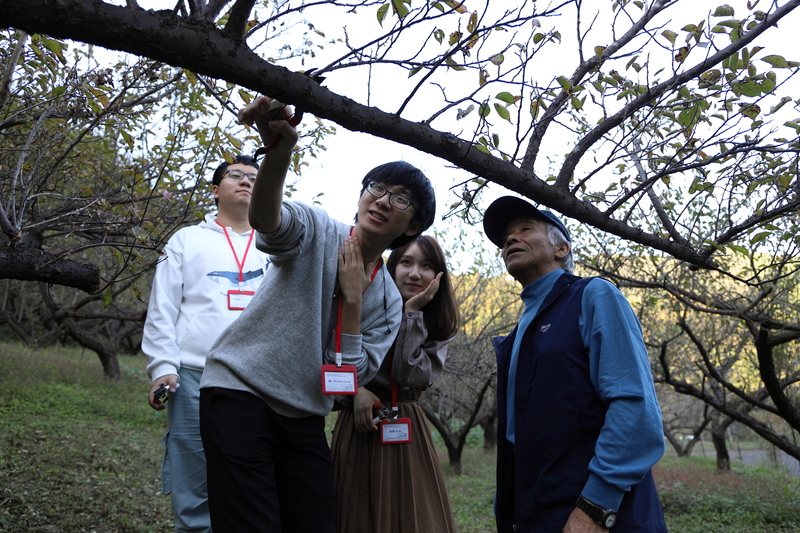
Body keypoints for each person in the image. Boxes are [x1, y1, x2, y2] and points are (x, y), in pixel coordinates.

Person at [198, 96, 437, 533]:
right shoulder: (317, 228)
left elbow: (350, 377)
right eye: (377, 189)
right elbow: (268, 221)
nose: (383, 201)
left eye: (400, 199)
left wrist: (352, 303)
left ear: (411, 228)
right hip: (240, 391)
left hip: (305, 413)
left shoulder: (385, 300)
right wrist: (280, 152)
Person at [482, 196, 667, 533]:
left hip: (594, 515)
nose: (510, 239)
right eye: (506, 236)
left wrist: (594, 509)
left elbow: (635, 411)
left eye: (525, 229)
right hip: (535, 510)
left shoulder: (593, 296)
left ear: (561, 249)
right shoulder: (521, 328)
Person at [142, 155, 269, 533]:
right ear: (215, 191)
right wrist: (162, 367)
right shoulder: (186, 239)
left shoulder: (275, 244)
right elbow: (162, 307)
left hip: (260, 379)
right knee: (193, 477)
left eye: (254, 177)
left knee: (252, 481)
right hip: (195, 376)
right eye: (236, 176)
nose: (247, 181)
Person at [331, 234, 459, 532]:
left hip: (405, 424)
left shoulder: (440, 321)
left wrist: (411, 313)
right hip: (360, 423)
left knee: (412, 516)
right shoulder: (361, 303)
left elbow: (410, 375)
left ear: (437, 274)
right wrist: (355, 391)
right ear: (392, 266)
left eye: (426, 265)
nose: (415, 273)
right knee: (354, 512)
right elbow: (330, 359)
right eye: (406, 262)